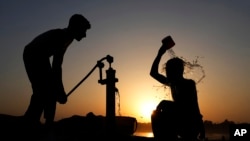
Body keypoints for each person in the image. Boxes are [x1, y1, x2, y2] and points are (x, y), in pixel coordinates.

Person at [23, 14, 91, 127]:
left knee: (46, 89)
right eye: (83, 31)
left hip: (40, 56)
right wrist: (61, 91)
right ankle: (36, 122)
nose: (84, 35)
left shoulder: (68, 38)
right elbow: (56, 67)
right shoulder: (61, 36)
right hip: (33, 55)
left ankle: (39, 120)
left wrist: (59, 90)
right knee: (43, 89)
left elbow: (57, 66)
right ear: (76, 28)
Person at [150, 36, 205, 141]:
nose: (167, 73)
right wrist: (159, 54)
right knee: (155, 114)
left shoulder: (189, 84)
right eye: (167, 71)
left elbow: (188, 108)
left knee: (165, 109)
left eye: (169, 71)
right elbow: (153, 73)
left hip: (191, 125)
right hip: (180, 123)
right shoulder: (172, 83)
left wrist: (165, 102)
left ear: (178, 71)